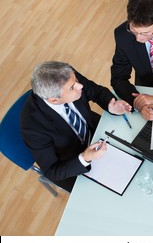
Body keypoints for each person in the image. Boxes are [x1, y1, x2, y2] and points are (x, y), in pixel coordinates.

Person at [20, 61, 132, 192]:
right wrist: (85, 158)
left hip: (97, 132)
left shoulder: (67, 76)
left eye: (76, 80)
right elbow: (52, 171)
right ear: (54, 100)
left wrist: (110, 105)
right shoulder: (33, 128)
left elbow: (95, 91)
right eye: (73, 87)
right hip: (74, 162)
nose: (80, 86)